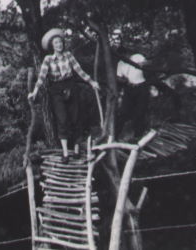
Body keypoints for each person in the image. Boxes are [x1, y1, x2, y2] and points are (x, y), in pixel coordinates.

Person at [28, 28, 99, 163]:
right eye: (56, 43)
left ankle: (77, 148)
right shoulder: (48, 59)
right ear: (52, 46)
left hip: (71, 86)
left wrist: (92, 82)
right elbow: (42, 77)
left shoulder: (69, 56)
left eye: (60, 42)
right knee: (62, 120)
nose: (59, 45)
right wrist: (35, 91)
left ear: (63, 44)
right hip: (56, 90)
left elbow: (79, 71)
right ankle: (65, 153)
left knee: (76, 117)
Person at [116, 53, 149, 139]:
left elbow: (147, 63)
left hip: (141, 87)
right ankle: (116, 135)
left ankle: (138, 136)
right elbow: (119, 77)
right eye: (122, 56)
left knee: (140, 112)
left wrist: (140, 64)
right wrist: (124, 81)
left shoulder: (136, 57)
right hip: (129, 88)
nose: (124, 57)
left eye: (126, 55)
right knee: (123, 112)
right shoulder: (120, 63)